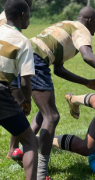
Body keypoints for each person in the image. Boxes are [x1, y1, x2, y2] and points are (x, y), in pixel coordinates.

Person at [7, 6, 95, 180]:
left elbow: (59, 69)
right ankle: (41, 174)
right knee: (51, 117)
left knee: (43, 111)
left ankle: (20, 149)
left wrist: (86, 82)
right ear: (89, 20)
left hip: (23, 55)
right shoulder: (81, 29)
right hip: (35, 60)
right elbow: (88, 56)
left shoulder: (65, 25)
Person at [0, 0, 38, 179]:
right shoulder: (23, 42)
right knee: (30, 141)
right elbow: (24, 82)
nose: (29, 19)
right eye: (29, 14)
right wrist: (26, 102)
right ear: (23, 15)